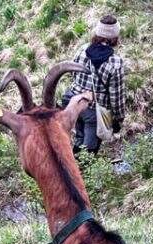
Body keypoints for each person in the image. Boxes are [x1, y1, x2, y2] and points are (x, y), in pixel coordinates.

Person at [61, 15, 126, 154]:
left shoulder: (83, 49)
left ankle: (75, 162)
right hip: (93, 110)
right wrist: (118, 119)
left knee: (80, 137)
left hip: (73, 101)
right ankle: (82, 172)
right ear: (114, 37)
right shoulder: (115, 62)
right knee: (91, 149)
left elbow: (73, 72)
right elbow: (116, 97)